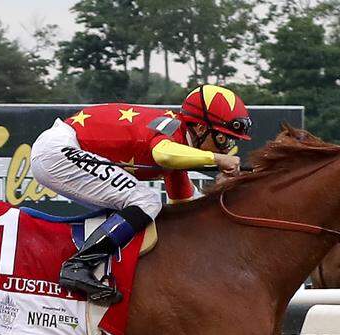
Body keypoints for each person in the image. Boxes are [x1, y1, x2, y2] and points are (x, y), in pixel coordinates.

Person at [29, 85, 248, 304]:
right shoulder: (171, 133)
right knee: (146, 200)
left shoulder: (179, 148)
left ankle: (104, 267)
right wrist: (216, 160)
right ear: (200, 129)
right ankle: (77, 266)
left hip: (62, 149)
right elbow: (163, 155)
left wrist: (222, 192)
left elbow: (184, 208)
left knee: (142, 205)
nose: (227, 149)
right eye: (223, 139)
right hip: (59, 151)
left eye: (231, 142)